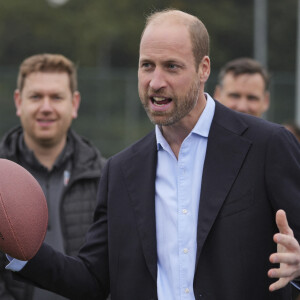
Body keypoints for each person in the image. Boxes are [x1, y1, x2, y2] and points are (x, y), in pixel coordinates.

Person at [4, 9, 300, 300]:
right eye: (147, 66)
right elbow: (91, 280)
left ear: (203, 69)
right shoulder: (120, 170)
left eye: (172, 66)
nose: (155, 82)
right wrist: (17, 247)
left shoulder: (268, 145)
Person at [0, 54, 106, 300]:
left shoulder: (105, 177)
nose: (46, 107)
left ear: (75, 103)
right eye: (36, 96)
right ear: (18, 101)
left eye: (56, 97)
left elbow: (108, 271)